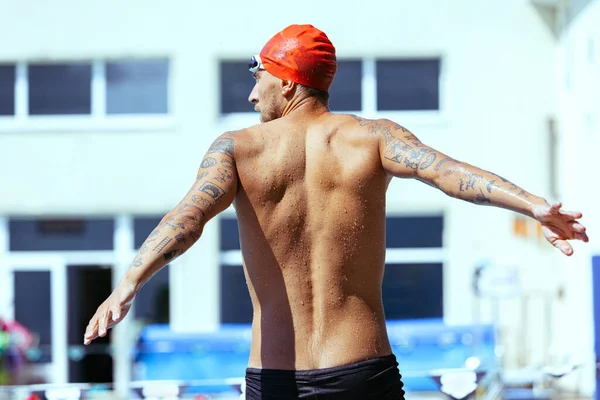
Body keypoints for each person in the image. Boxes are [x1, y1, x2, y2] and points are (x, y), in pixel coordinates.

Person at [83, 24, 589, 399]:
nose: (250, 91)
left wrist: (129, 281)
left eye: (258, 75)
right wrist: (535, 205)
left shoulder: (237, 149)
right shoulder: (372, 138)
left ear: (287, 82)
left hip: (275, 378)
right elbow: (446, 172)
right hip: (361, 371)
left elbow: (188, 218)